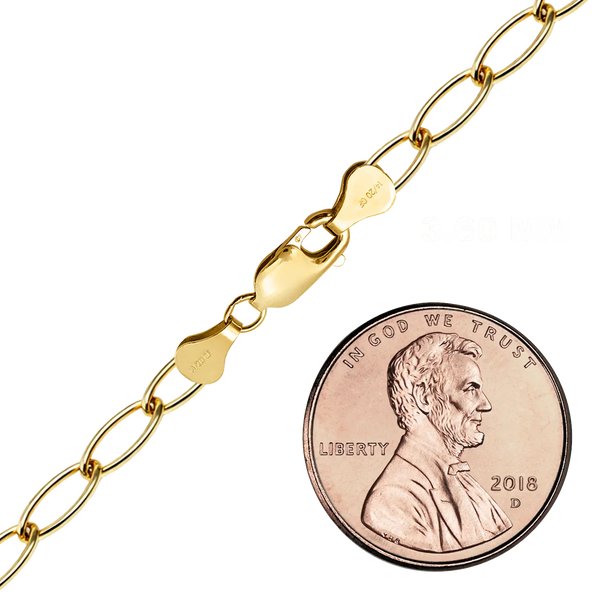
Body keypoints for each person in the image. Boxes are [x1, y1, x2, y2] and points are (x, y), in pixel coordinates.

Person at [361, 332, 512, 552]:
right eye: (471, 389)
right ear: (424, 397)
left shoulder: (466, 483)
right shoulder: (391, 501)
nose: (485, 404)